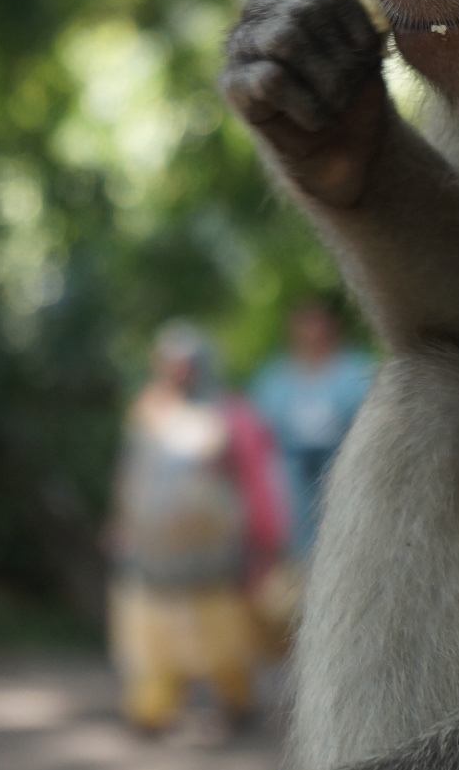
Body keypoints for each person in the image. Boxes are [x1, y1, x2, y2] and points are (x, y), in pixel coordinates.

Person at [106, 322, 290, 732]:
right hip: (154, 555)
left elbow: (257, 479)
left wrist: (265, 538)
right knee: (153, 637)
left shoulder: (232, 415)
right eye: (172, 364)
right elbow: (131, 474)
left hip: (215, 556)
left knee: (223, 637)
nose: (180, 372)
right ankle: (152, 708)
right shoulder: (146, 411)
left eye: (188, 364)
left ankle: (237, 699)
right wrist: (121, 524)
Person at [249, 302, 376, 559]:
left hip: (341, 456)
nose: (311, 332)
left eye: (317, 324)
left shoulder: (356, 368)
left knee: (345, 521)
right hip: (292, 461)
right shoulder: (276, 376)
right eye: (305, 324)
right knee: (298, 525)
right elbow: (261, 422)